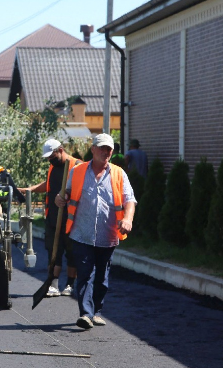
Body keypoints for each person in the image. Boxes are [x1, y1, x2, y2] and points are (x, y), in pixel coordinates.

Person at [56, 133, 136, 329]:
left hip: (107, 235)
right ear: (93, 149)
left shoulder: (118, 174)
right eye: (102, 148)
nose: (106, 152)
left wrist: (127, 219)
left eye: (109, 149)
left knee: (102, 277)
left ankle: (97, 311)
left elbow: (130, 200)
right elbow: (66, 192)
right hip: (81, 233)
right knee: (85, 274)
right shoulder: (78, 171)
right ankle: (85, 313)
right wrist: (61, 197)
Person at [18, 139, 81, 298]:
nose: (49, 160)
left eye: (51, 156)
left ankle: (70, 284)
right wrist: (29, 190)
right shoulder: (53, 167)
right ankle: (53, 284)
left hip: (72, 220)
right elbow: (49, 184)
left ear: (60, 150)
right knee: (53, 251)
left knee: (72, 253)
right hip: (53, 218)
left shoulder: (77, 166)